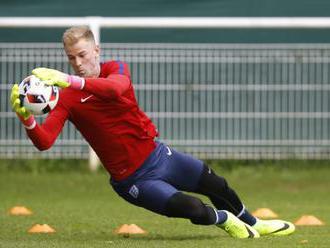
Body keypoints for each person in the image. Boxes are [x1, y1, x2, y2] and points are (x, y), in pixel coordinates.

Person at [10, 25, 295, 239]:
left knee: (216, 183)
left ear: (96, 50)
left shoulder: (114, 69)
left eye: (83, 55)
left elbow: (116, 89)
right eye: (72, 58)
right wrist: (27, 120)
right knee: (193, 208)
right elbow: (45, 143)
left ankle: (255, 223)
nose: (78, 63)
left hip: (160, 156)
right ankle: (224, 220)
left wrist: (68, 80)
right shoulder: (66, 96)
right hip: (133, 180)